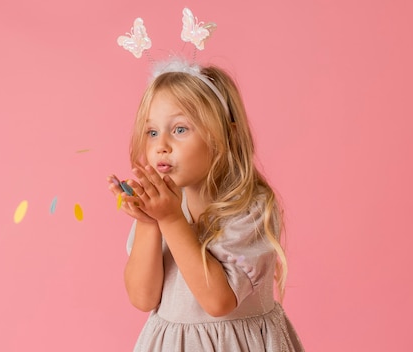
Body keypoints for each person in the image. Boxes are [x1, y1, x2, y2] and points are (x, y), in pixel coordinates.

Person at [107, 58, 304, 351]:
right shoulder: (164, 206)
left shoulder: (249, 208)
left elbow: (218, 301)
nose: (161, 145)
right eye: (152, 132)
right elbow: (143, 297)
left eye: (180, 129)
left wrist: (171, 221)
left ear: (224, 136)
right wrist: (150, 222)